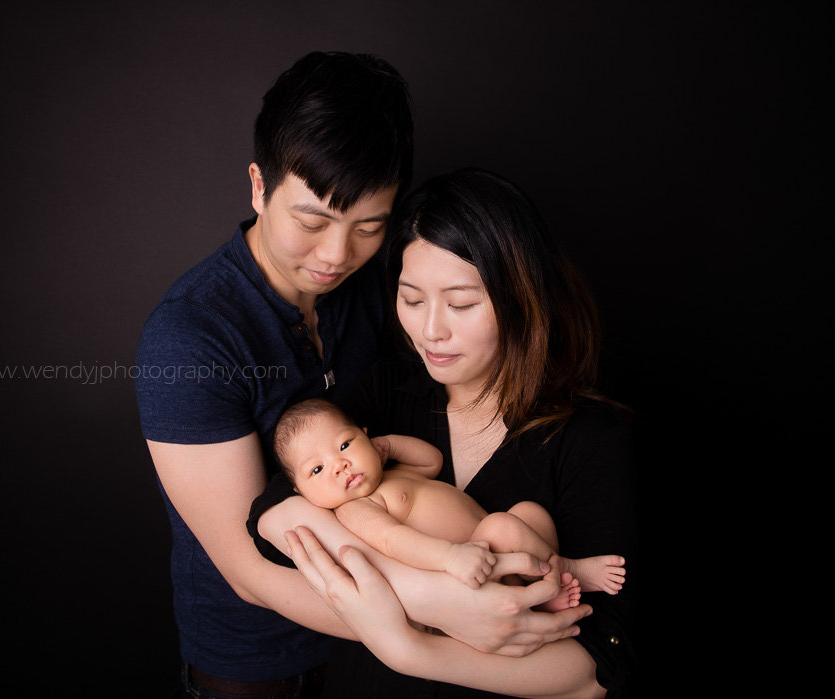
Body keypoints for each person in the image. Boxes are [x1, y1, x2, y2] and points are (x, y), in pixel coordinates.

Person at [135, 54, 588, 699]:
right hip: (261, 657)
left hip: (392, 655)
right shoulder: (192, 337)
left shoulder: (375, 287)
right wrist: (436, 612)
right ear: (259, 187)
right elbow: (248, 573)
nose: (335, 256)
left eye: (368, 227)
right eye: (312, 222)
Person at [252, 169, 639, 697]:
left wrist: (413, 649)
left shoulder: (589, 437)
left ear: (521, 298)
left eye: (460, 304)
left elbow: (600, 667)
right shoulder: (391, 389)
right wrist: (428, 597)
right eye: (412, 300)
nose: (431, 330)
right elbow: (277, 509)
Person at [274, 396, 626, 599]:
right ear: (300, 492)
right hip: (468, 562)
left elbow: (432, 460)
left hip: (495, 545)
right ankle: (568, 569)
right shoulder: (357, 509)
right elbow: (395, 540)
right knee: (504, 524)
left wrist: (390, 446)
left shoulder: (393, 474)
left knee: (528, 512)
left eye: (346, 444)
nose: (340, 465)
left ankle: (542, 590)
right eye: (317, 470)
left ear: (367, 437)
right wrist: (451, 557)